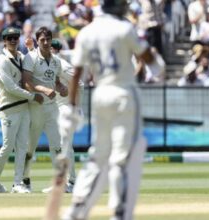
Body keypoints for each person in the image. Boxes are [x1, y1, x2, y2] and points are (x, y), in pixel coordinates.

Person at [61, 0, 154, 219]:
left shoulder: (86, 32)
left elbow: (76, 74)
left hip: (100, 95)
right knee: (121, 158)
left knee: (97, 154)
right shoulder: (124, 28)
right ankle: (119, 210)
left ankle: (77, 207)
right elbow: (146, 56)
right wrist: (157, 62)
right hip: (123, 94)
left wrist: (71, 108)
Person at [0, 27, 43, 193]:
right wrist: (32, 96)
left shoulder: (21, 56)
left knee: (22, 146)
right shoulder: (2, 60)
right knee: (8, 145)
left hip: (23, 106)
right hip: (8, 107)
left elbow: (33, 62)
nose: (13, 40)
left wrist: (31, 48)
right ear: (4, 41)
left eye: (15, 37)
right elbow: (10, 87)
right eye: (9, 38)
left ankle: (17, 183)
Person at [20, 26, 68, 193]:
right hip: (36, 107)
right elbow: (26, 83)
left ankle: (59, 183)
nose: (46, 43)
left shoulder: (56, 60)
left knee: (57, 145)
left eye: (48, 39)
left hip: (52, 108)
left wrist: (61, 87)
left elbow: (55, 81)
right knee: (30, 147)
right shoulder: (30, 58)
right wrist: (43, 90)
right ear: (37, 41)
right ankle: (24, 181)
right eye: (42, 40)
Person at [41, 39, 85, 194]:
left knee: (64, 146)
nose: (48, 50)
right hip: (58, 109)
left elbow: (79, 83)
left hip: (67, 109)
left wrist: (70, 99)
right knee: (61, 147)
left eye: (51, 48)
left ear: (55, 50)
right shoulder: (48, 65)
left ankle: (68, 182)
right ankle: (69, 182)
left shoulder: (62, 64)